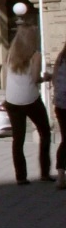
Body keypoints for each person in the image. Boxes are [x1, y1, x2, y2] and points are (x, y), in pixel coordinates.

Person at [2, 23, 53, 185]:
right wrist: (47, 77)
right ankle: (44, 173)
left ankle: (21, 177)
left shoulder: (9, 54)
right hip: (30, 99)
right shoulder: (35, 55)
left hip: (12, 101)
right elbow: (35, 79)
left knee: (18, 139)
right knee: (45, 133)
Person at [52, 40, 66, 189]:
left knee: (65, 140)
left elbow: (55, 80)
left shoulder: (60, 58)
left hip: (60, 105)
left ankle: (61, 175)